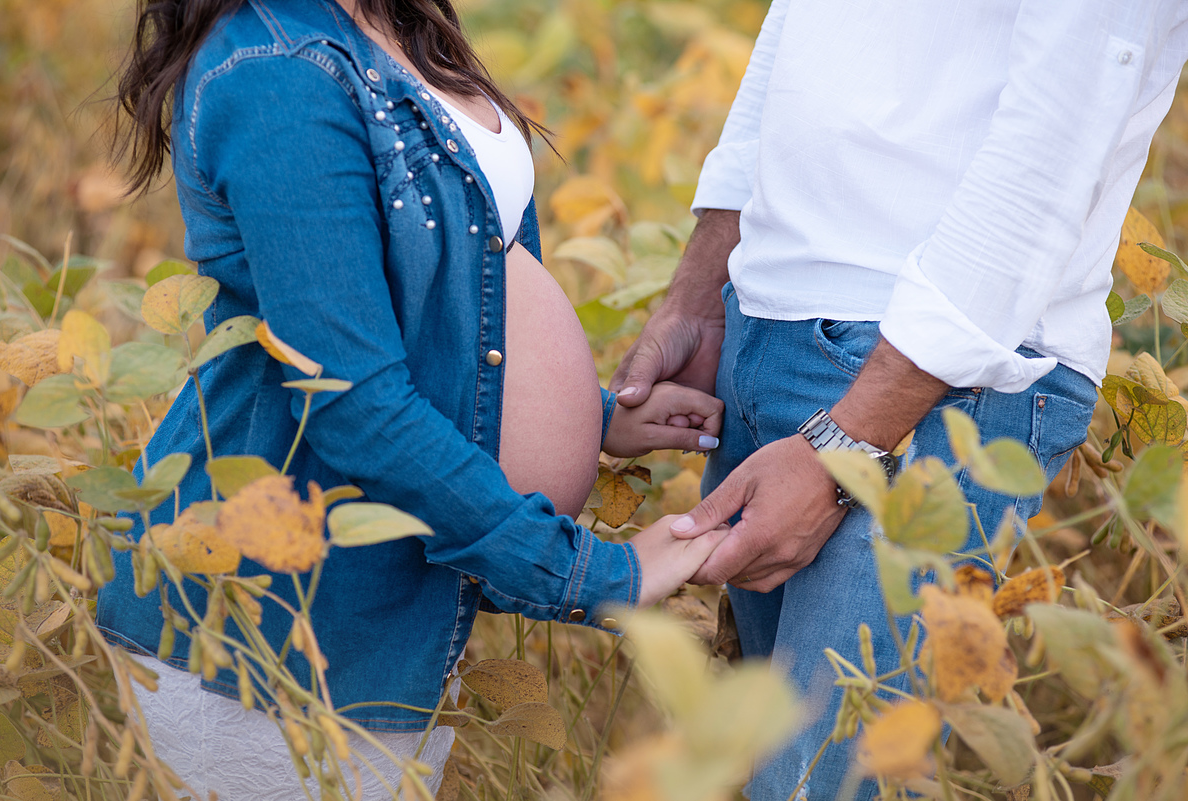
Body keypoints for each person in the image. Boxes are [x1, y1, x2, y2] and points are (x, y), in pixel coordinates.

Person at [100, 0, 728, 796]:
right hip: (286, 629)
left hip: (395, 607)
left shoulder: (403, 21)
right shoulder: (275, 74)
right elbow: (353, 401)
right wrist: (593, 576)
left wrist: (591, 416)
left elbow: (438, 307)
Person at [610, 2, 1188, 798]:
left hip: (935, 382)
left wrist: (850, 444)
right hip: (765, 329)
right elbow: (796, 32)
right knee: (758, 769)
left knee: (816, 783)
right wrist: (702, 292)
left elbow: (1054, 140)